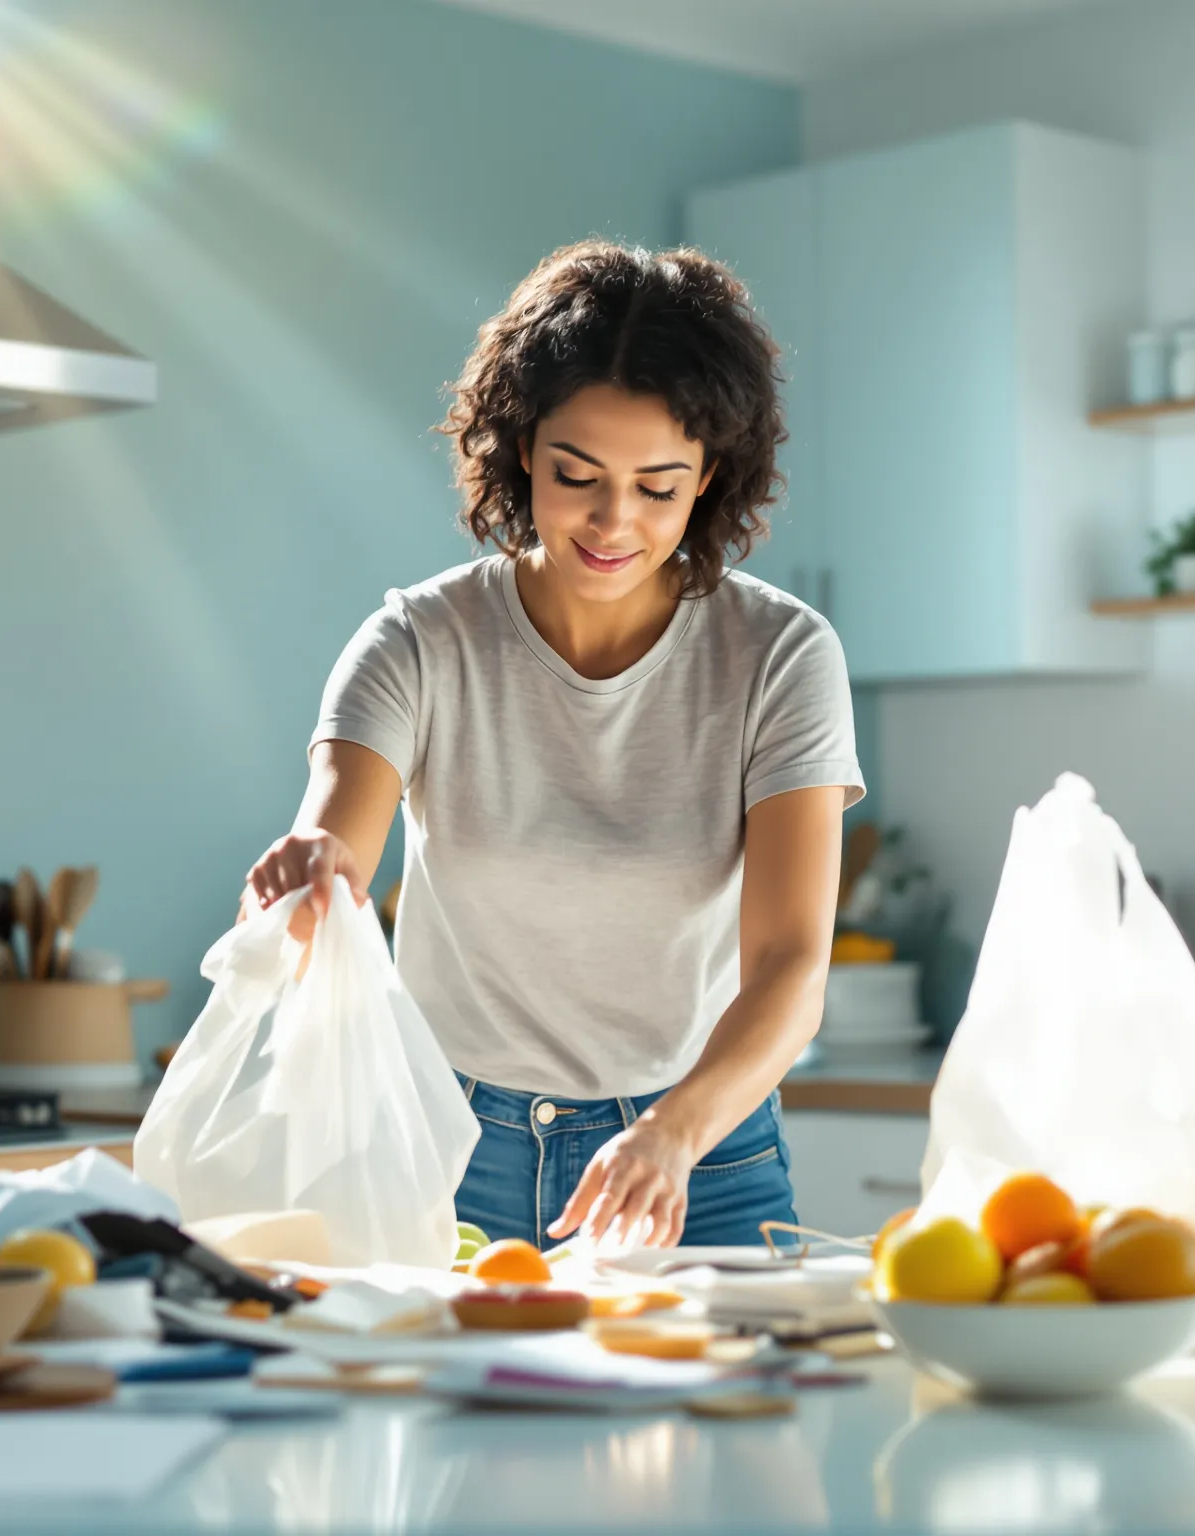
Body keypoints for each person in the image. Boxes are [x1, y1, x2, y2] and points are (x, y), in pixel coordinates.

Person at [242, 240, 861, 1250]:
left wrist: (670, 1137)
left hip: (698, 1152)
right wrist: (308, 882)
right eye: (578, 475)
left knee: (729, 1412)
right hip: (450, 1150)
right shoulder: (419, 640)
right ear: (521, 446)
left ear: (709, 476)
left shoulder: (780, 653)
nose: (614, 522)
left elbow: (790, 966)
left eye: (658, 488)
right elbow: (332, 846)